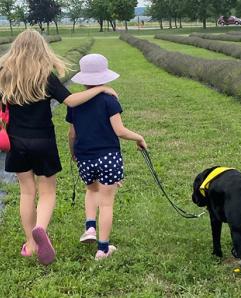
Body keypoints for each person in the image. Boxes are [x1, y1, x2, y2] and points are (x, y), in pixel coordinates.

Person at [0, 29, 118, 265]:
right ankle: (40, 228)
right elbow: (71, 101)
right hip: (43, 140)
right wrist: (100, 88)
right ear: (41, 50)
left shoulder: (4, 75)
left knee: (26, 192)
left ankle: (31, 244)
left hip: (16, 141)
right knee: (47, 192)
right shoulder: (45, 75)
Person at [67, 53, 147, 260]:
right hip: (108, 157)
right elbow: (119, 130)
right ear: (104, 77)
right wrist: (139, 138)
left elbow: (72, 133)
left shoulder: (74, 103)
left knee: (91, 190)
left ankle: (90, 227)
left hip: (85, 157)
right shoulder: (109, 100)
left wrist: (73, 152)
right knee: (107, 203)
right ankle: (103, 249)